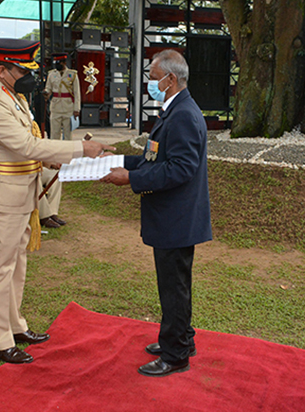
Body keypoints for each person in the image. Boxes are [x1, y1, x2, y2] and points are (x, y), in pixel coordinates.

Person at [0, 38, 113, 365]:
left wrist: (50, 161)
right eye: (22, 69)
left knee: (16, 264)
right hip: (0, 194)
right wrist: (79, 150)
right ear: (3, 70)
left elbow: (30, 142)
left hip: (19, 189)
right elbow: (26, 145)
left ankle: (15, 325)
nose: (28, 75)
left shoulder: (12, 94)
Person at [101, 50, 211, 377]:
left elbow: (180, 169)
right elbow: (156, 158)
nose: (149, 83)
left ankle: (175, 355)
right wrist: (118, 160)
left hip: (176, 219)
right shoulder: (173, 111)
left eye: (152, 77)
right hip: (171, 217)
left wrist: (131, 178)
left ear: (170, 79)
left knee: (173, 287)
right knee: (175, 285)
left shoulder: (183, 116)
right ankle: (181, 340)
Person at [44, 52, 81, 141]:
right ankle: (55, 151)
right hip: (55, 107)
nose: (57, 65)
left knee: (68, 133)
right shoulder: (52, 74)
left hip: (68, 107)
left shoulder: (72, 74)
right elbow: (48, 88)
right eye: (55, 63)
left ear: (64, 62)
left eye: (59, 63)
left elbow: (77, 93)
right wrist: (46, 93)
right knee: (54, 133)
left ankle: (67, 152)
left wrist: (77, 109)